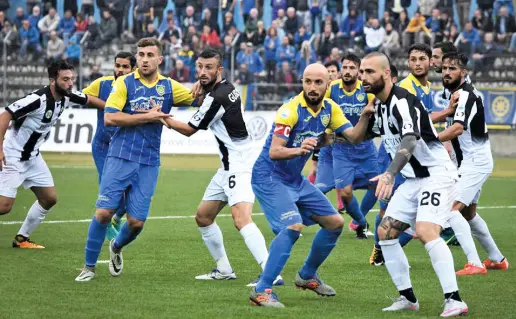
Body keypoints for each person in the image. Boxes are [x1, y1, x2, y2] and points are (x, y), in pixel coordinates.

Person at [249, 63, 375, 308]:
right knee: (292, 226)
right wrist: (303, 148)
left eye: (318, 82)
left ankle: (307, 275)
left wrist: (365, 115)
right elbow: (274, 152)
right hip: (269, 176)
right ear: (302, 83)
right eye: (308, 82)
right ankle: (262, 290)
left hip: (294, 179)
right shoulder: (290, 110)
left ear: (328, 85)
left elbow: (354, 136)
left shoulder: (330, 109)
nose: (312, 87)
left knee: (335, 223)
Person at [75, 38, 197, 282]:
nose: (144, 59)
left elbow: (199, 98)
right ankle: (88, 267)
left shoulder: (170, 87)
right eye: (140, 54)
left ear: (160, 59)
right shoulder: (124, 84)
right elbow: (110, 118)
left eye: (150, 54)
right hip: (120, 156)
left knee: (137, 223)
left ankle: (116, 247)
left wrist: (210, 84)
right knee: (103, 213)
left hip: (149, 161)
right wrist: (147, 117)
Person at [160, 48, 283, 286]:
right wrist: (201, 86)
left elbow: (188, 129)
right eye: (199, 67)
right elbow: (205, 96)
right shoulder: (226, 87)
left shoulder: (216, 98)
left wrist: (160, 117)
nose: (202, 72)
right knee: (204, 217)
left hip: (240, 165)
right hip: (229, 165)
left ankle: (271, 274)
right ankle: (224, 269)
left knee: (241, 219)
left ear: (219, 70)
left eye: (208, 68)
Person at [359, 52, 468, 317]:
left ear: (386, 74)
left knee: (426, 230)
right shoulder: (380, 106)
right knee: (384, 233)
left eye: (369, 72)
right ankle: (407, 298)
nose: (363, 77)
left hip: (436, 175)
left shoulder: (401, 101)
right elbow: (358, 135)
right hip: (413, 179)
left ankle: (454, 300)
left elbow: (410, 139)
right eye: (362, 72)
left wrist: (389, 173)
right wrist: (327, 140)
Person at [0, 60, 104, 249]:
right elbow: (5, 115)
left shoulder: (67, 96)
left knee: (49, 198)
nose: (70, 83)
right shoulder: (37, 100)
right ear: (53, 81)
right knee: (4, 207)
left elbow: (90, 100)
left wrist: (117, 110)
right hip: (13, 156)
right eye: (65, 79)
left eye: (72, 79)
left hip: (33, 157)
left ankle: (22, 239)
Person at [438, 52, 509, 273]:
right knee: (468, 214)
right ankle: (497, 258)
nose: (447, 72)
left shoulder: (467, 95)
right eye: (444, 68)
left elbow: (458, 128)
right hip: (470, 162)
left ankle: (475, 263)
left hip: (475, 162)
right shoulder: (455, 93)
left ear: (464, 72)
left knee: (450, 209)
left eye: (452, 68)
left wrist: (427, 140)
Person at [315, 53, 379, 239]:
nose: (348, 71)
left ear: (359, 72)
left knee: (379, 187)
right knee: (345, 192)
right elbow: (319, 110)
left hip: (365, 148)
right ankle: (360, 222)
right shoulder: (331, 89)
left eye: (352, 68)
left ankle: (363, 222)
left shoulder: (367, 91)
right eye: (345, 67)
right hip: (341, 148)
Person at [81, 52, 137, 241]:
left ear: (133, 69)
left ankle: (115, 217)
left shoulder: (138, 88)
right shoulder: (103, 83)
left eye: (125, 67)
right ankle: (105, 224)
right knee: (110, 188)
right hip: (103, 145)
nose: (120, 70)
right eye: (118, 66)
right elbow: (84, 96)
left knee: (133, 189)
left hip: (125, 146)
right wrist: (108, 106)